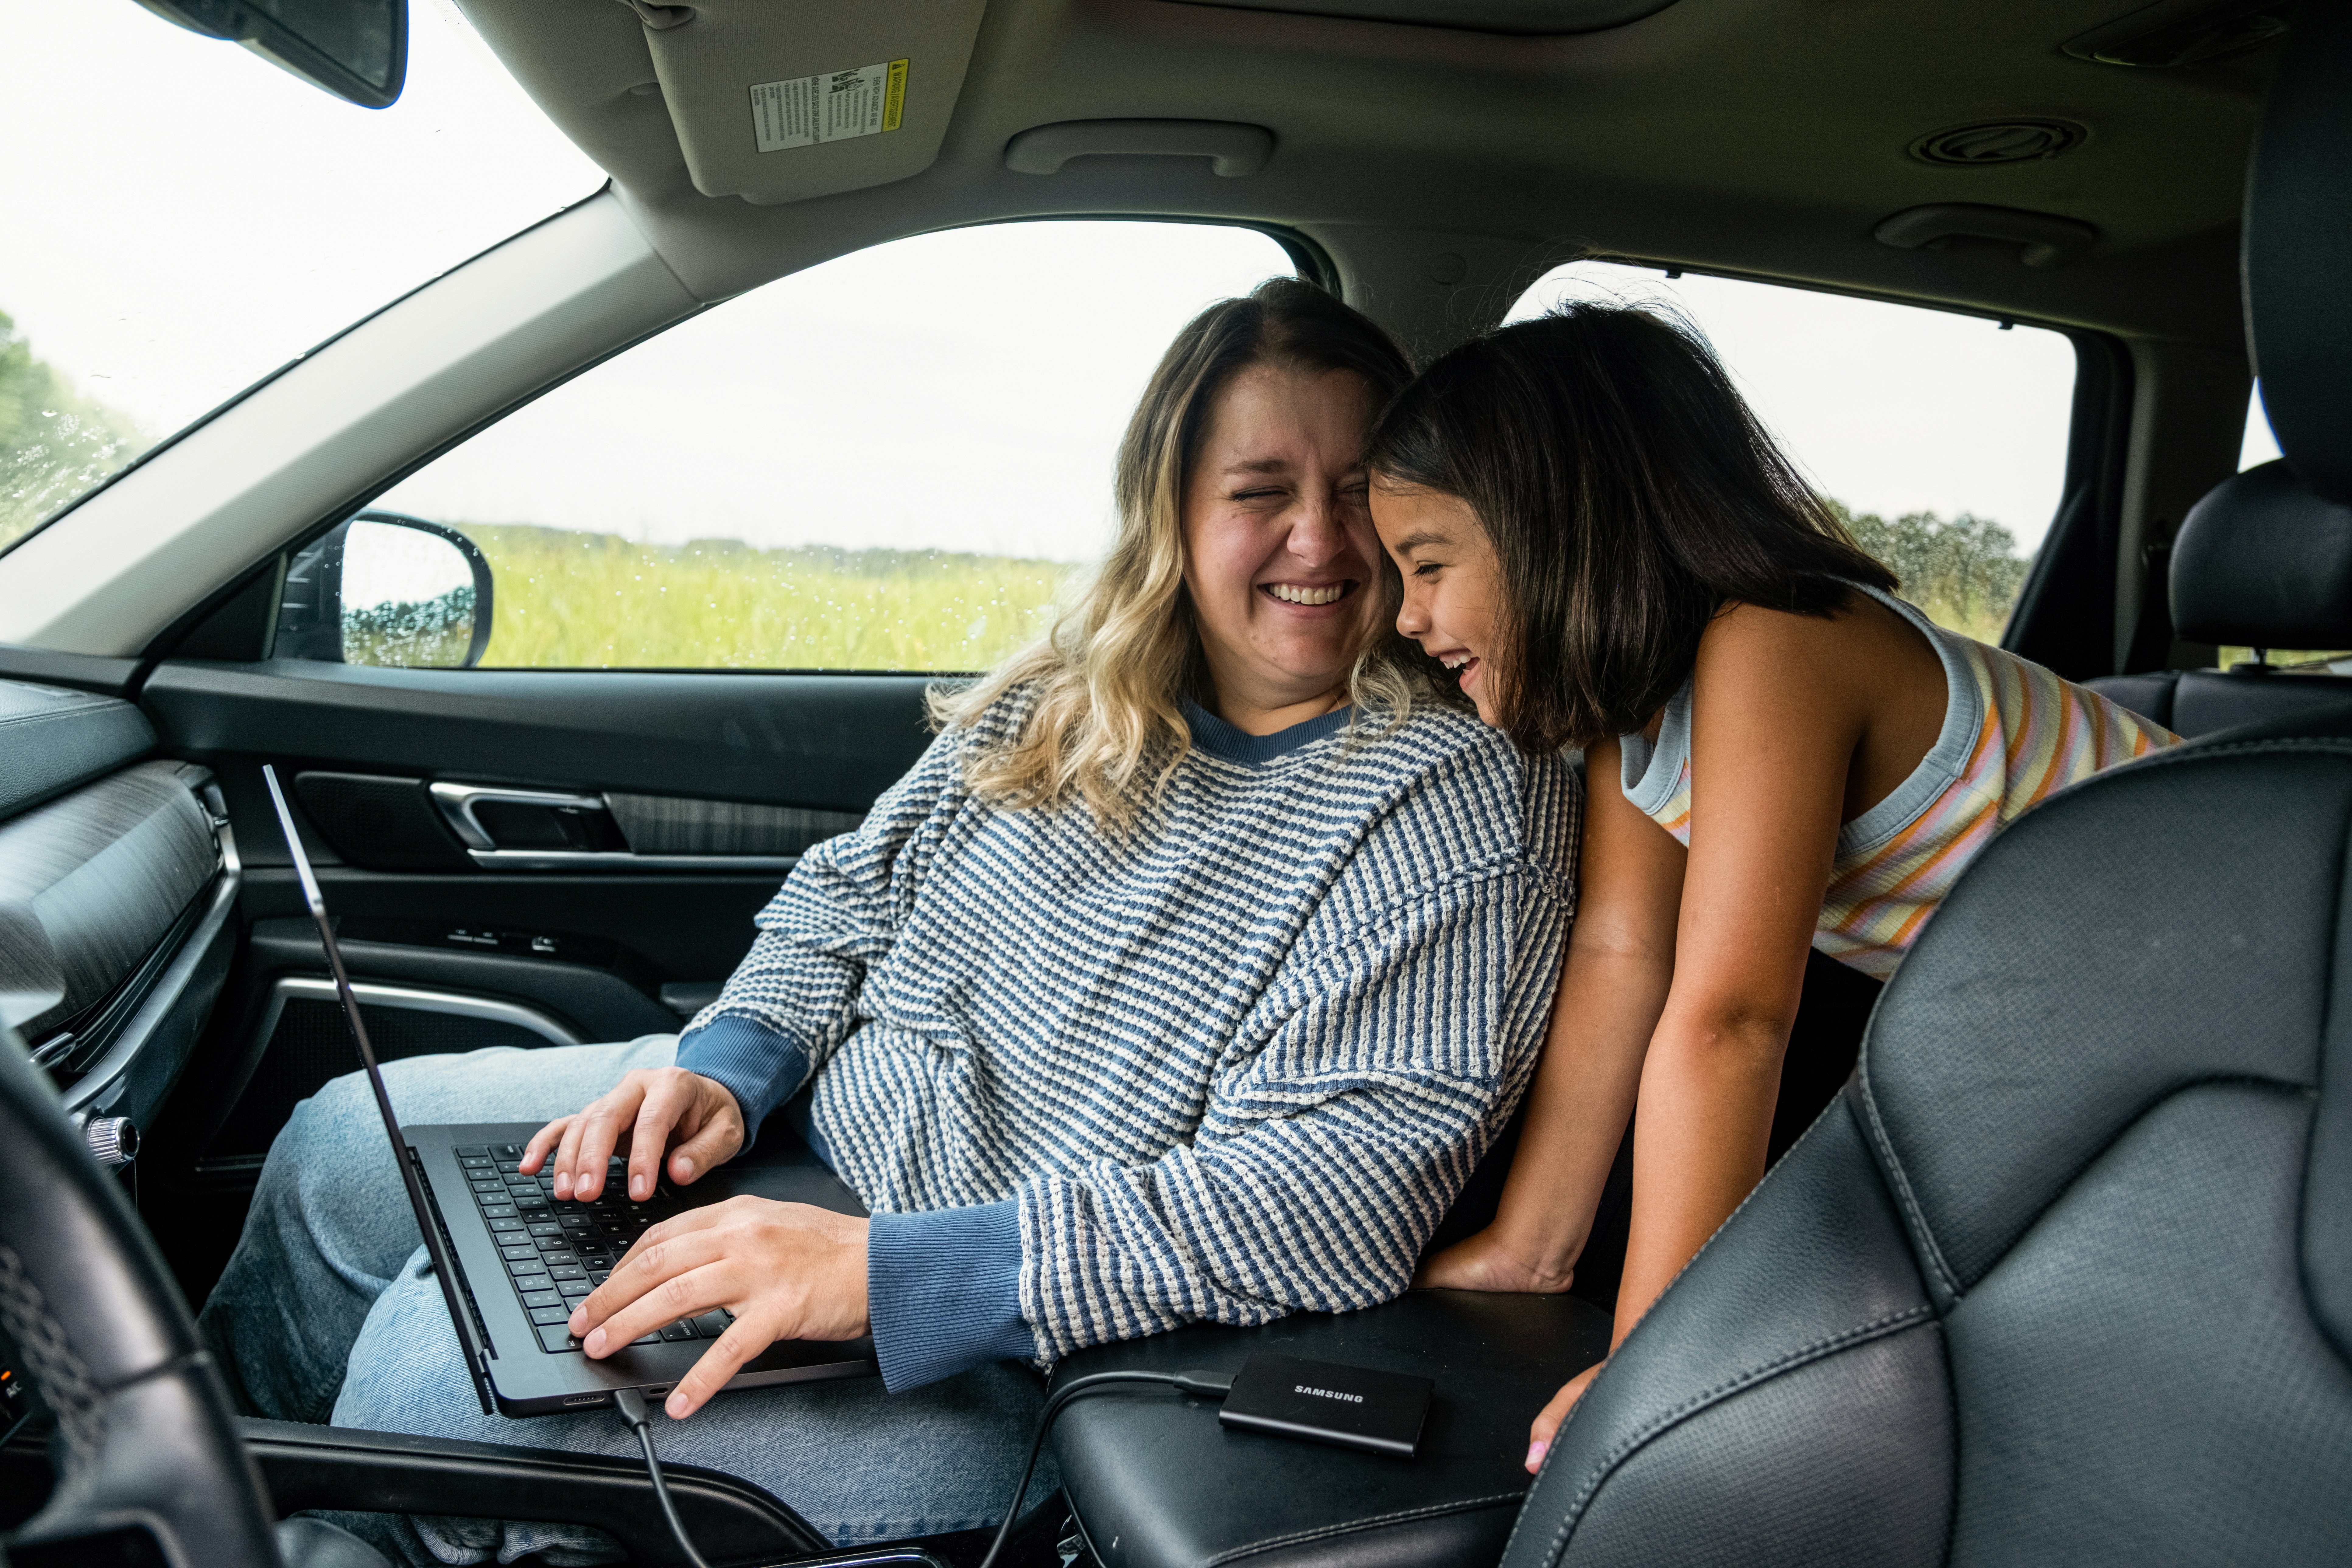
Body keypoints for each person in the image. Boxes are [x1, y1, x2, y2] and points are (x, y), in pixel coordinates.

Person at [200, 278, 1579, 1564]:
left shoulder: (1451, 800)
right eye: (1261, 492)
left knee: (435, 1389)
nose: (1319, 540)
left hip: (1003, 1338)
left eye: (1356, 493)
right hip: (806, 1159)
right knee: (339, 1148)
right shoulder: (1066, 694)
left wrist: (886, 1272)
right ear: (1171, 513)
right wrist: (727, 1068)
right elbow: (850, 892)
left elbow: (1328, 1195)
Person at [1363, 302, 2177, 1473]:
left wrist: (1652, 1364)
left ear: (1562, 533)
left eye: (1430, 565)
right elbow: (1624, 954)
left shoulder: (1780, 640)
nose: (1408, 617)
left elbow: (1734, 1017)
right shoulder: (1640, 714)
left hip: (2248, 950)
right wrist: (1531, 1246)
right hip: (2098, 1019)